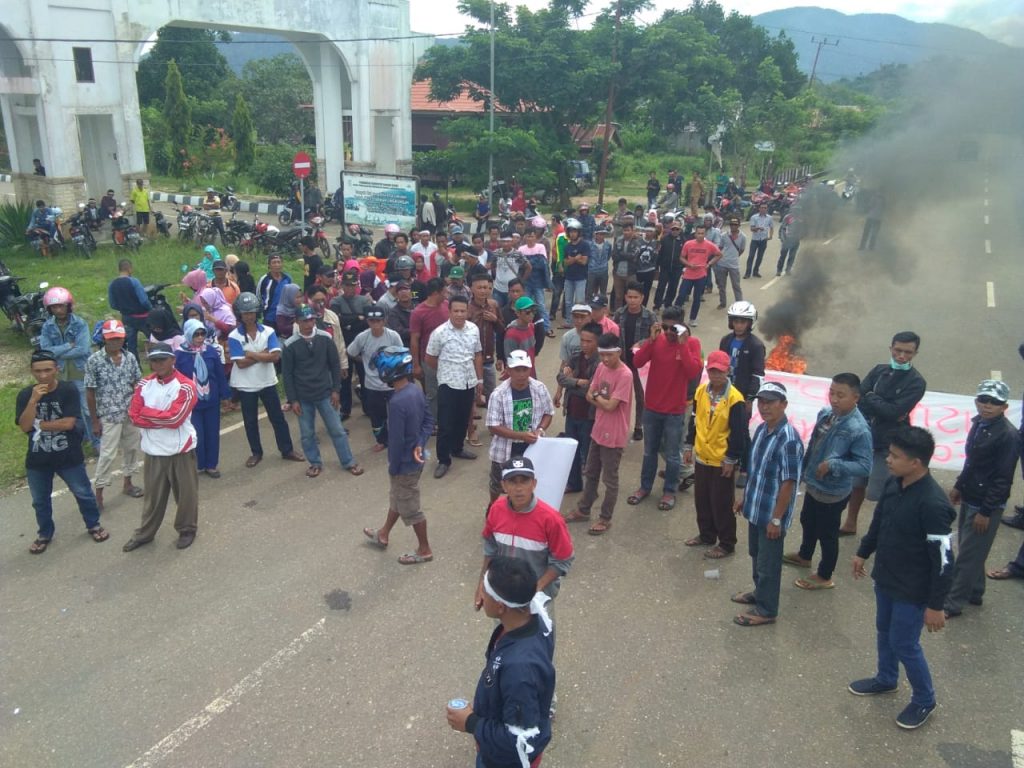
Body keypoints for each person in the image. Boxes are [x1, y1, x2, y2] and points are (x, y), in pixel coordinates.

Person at [849, 426, 955, 730]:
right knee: (884, 631)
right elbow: (879, 522)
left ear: (916, 463)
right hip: (886, 579)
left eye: (895, 456)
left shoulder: (934, 504)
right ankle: (886, 679)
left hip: (913, 589)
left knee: (905, 644)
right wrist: (862, 552)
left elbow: (945, 561)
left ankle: (925, 699)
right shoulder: (895, 483)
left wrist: (936, 605)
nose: (889, 461)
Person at [447, 555, 556, 768]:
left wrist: (470, 722)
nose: (481, 594)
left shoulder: (519, 670)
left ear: (500, 607)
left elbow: (519, 740)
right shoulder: (535, 615)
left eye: (484, 591)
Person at [783, 373, 873, 589]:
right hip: (814, 484)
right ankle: (805, 555)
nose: (834, 399)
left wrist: (834, 465)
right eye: (831, 392)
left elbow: (864, 466)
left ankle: (825, 575)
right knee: (808, 520)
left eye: (840, 395)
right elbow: (814, 446)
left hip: (833, 491)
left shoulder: (858, 429)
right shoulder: (826, 414)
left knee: (827, 534)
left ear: (855, 398)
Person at [18, 349, 108, 554]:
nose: (43, 375)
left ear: (56, 369)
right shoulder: (25, 395)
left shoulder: (67, 390)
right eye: (38, 371)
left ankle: (93, 525)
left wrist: (38, 424)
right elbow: (24, 426)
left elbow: (69, 423)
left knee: (83, 493)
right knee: (40, 501)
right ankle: (44, 534)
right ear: (31, 371)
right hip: (37, 458)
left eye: (48, 370)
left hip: (69, 455)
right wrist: (33, 401)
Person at [942, 380, 1019, 618]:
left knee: (967, 556)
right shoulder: (980, 424)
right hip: (970, 495)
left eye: (994, 402)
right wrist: (959, 486)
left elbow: (1003, 478)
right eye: (983, 400)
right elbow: (972, 461)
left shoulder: (1007, 435)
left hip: (986, 504)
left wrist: (986, 511)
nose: (987, 406)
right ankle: (975, 591)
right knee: (970, 549)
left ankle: (953, 603)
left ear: (1004, 406)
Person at [731, 382, 804, 626]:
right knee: (756, 555)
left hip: (772, 516)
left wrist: (776, 518)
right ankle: (759, 593)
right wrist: (745, 498)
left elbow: (788, 483)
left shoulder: (790, 440)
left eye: (771, 402)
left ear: (783, 404)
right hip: (755, 508)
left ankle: (767, 610)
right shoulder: (762, 429)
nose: (765, 407)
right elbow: (757, 470)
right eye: (762, 401)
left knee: (769, 564)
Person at [840, 332, 926, 536]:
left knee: (880, 492)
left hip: (889, 445)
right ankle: (850, 523)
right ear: (891, 348)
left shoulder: (916, 382)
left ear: (915, 353)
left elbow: (893, 412)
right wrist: (879, 404)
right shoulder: (879, 370)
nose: (902, 356)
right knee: (856, 484)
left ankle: (880, 531)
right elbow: (858, 398)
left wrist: (872, 398)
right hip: (864, 438)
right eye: (898, 350)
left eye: (908, 352)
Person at [122, 343, 200, 552]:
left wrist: (147, 413)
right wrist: (159, 417)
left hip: (180, 451)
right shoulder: (143, 385)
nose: (158, 364)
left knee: (186, 496)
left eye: (162, 359)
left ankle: (187, 529)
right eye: (154, 360)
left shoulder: (185, 386)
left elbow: (175, 419)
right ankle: (145, 534)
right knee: (152, 499)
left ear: (173, 360)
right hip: (153, 451)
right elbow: (134, 416)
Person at [362, 346, 435, 564]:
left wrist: (393, 467)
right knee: (398, 498)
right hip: (417, 459)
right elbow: (429, 421)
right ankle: (383, 533)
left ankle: (424, 549)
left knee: (411, 508)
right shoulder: (415, 390)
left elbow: (395, 441)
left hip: (404, 465)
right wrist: (420, 444)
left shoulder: (396, 402)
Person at [626, 308, 703, 511]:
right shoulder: (656, 340)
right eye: (665, 327)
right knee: (649, 452)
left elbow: (693, 372)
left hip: (675, 411)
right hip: (651, 408)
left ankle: (670, 491)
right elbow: (637, 362)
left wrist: (683, 346)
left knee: (672, 455)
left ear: (682, 326)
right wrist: (650, 341)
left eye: (673, 328)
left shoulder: (692, 343)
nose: (668, 332)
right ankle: (644, 488)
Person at [283, 305, 364, 479]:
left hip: (325, 393)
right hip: (303, 397)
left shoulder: (325, 338)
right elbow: (287, 375)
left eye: (311, 319)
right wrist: (293, 400)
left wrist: (336, 390)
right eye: (304, 321)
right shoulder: (290, 345)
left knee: (337, 430)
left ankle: (348, 461)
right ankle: (315, 463)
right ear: (297, 322)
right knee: (307, 434)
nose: (308, 324)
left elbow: (334, 365)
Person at [564, 333, 634, 536]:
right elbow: (589, 394)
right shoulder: (602, 368)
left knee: (609, 479)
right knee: (591, 472)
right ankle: (584, 509)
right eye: (602, 355)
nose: (604, 360)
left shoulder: (625, 375)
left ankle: (605, 518)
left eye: (609, 355)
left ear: (618, 353)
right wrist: (599, 398)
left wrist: (597, 397)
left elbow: (611, 406)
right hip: (598, 429)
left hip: (614, 434)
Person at [227, 292, 305, 468]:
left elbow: (276, 357)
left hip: (267, 382)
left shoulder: (268, 331)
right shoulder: (234, 336)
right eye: (245, 313)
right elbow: (240, 364)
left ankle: (287, 449)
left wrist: (252, 354)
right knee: (250, 421)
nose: (249, 316)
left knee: (277, 418)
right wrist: (264, 353)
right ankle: (256, 452)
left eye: (252, 312)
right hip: (246, 385)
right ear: (240, 314)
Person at [683, 350, 747, 559]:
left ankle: (727, 543)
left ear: (727, 371)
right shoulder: (701, 392)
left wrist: (731, 459)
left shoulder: (735, 399)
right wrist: (688, 445)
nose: (715, 375)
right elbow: (694, 419)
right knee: (702, 499)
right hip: (702, 455)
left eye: (719, 371)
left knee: (721, 502)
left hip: (721, 460)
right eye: (712, 371)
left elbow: (739, 433)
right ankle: (706, 535)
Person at [85, 320, 144, 511]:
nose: (115, 342)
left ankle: (128, 483)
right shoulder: (94, 360)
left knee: (132, 448)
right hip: (109, 414)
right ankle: (99, 493)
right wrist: (94, 421)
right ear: (104, 339)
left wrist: (140, 407)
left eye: (118, 338)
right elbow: (90, 392)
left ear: (123, 338)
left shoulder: (130, 358)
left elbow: (137, 382)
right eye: (111, 339)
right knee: (107, 454)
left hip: (130, 411)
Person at [485, 350, 555, 507]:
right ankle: (493, 510)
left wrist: (540, 430)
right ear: (508, 370)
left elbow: (548, 413)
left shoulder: (539, 388)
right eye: (517, 370)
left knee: (529, 482)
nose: (522, 374)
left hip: (533, 448)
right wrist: (521, 435)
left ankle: (527, 514)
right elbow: (493, 426)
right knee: (497, 484)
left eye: (525, 369)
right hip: (505, 451)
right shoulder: (499, 394)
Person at [426, 295, 483, 478]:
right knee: (445, 423)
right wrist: (446, 370)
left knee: (462, 419)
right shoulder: (439, 333)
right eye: (456, 311)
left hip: (468, 381)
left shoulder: (473, 329)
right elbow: (430, 358)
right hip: (448, 383)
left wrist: (479, 380)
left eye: (463, 311)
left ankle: (458, 448)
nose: (459, 314)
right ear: (449, 312)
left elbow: (478, 354)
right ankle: (443, 460)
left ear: (468, 311)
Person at [39, 287, 99, 451]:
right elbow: (45, 351)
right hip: (61, 374)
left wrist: (57, 351)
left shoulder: (79, 323)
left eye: (61, 306)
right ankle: (79, 438)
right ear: (49, 309)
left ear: (68, 305)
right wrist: (67, 346)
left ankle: (96, 442)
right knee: (68, 410)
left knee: (87, 409)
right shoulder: (47, 327)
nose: (58, 310)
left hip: (80, 373)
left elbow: (83, 349)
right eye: (54, 307)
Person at [174, 319, 229, 478]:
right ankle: (199, 463)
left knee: (212, 432)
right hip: (192, 402)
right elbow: (177, 380)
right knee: (196, 433)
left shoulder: (210, 351)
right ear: (188, 334)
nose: (199, 337)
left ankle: (211, 465)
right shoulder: (179, 355)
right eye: (196, 334)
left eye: (202, 333)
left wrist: (225, 395)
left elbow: (219, 374)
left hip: (211, 399)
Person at [347, 304, 403, 451]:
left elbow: (401, 355)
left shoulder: (393, 336)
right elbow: (351, 352)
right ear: (368, 321)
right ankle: (382, 440)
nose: (376, 324)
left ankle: (398, 438)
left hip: (391, 384)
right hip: (372, 385)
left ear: (384, 321)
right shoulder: (362, 337)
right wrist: (366, 360)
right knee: (377, 416)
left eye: (379, 320)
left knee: (397, 413)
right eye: (372, 321)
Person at [557, 323, 600, 494]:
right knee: (572, 450)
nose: (584, 344)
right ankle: (574, 483)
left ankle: (590, 490)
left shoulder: (600, 363)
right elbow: (560, 377)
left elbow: (591, 389)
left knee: (589, 455)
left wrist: (573, 381)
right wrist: (576, 381)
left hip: (589, 415)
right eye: (582, 340)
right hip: (572, 411)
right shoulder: (576, 356)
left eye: (589, 341)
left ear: (597, 342)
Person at [612, 283, 655, 441]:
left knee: (641, 396)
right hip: (622, 362)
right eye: (629, 297)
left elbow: (655, 338)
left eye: (635, 297)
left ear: (642, 298)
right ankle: (620, 425)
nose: (632, 300)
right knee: (619, 396)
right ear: (625, 297)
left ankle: (638, 426)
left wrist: (641, 344)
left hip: (640, 364)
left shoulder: (650, 316)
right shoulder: (619, 314)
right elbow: (612, 334)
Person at [410, 278, 450, 423]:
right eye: (444, 291)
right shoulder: (418, 312)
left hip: (449, 358)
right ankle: (432, 422)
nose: (446, 294)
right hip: (429, 360)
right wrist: (416, 365)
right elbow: (414, 340)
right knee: (432, 392)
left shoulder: (447, 306)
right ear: (435, 293)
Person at [674, 224, 721, 327]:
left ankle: (693, 319)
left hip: (701, 275)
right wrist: (688, 264)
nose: (700, 235)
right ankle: (674, 317)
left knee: (697, 298)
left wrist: (709, 264)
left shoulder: (709, 244)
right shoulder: (688, 244)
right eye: (698, 233)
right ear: (695, 234)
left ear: (705, 234)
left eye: (702, 233)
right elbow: (681, 257)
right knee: (681, 296)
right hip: (688, 275)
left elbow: (719, 254)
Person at [720, 301, 765, 403]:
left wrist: (750, 398)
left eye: (742, 322)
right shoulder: (725, 340)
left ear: (750, 323)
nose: (738, 326)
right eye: (736, 322)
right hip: (723, 392)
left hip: (742, 396)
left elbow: (758, 375)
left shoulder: (756, 346)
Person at [107, 258, 152, 361]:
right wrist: (150, 309)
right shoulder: (134, 281)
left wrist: (123, 309)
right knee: (154, 340)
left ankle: (135, 368)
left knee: (131, 346)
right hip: (143, 317)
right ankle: (157, 362)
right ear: (129, 269)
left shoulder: (112, 284)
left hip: (127, 318)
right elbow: (144, 300)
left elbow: (112, 304)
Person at [653, 219, 685, 310]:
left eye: (677, 229)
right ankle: (657, 305)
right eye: (673, 229)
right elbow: (659, 254)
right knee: (661, 287)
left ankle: (668, 304)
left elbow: (686, 255)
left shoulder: (683, 241)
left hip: (677, 269)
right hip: (665, 268)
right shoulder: (664, 239)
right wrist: (656, 267)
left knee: (673, 287)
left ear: (680, 230)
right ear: (671, 229)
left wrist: (683, 267)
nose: (675, 231)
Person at [256, 255, 293, 331]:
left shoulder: (287, 279)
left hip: (284, 316)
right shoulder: (265, 279)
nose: (277, 265)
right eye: (274, 263)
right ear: (269, 265)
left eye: (279, 262)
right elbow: (258, 296)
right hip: (269, 316)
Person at [715, 216, 745, 309]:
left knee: (736, 286)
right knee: (721, 286)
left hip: (734, 265)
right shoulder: (724, 235)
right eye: (731, 224)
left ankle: (739, 304)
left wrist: (734, 256)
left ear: (739, 225)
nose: (733, 226)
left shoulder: (743, 237)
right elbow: (719, 248)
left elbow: (742, 250)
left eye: (735, 224)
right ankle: (723, 303)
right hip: (722, 264)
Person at [609, 220, 639, 312]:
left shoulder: (636, 242)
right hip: (618, 273)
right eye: (624, 230)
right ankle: (618, 314)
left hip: (630, 273)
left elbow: (634, 256)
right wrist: (625, 255)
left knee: (630, 296)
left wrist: (621, 254)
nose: (626, 232)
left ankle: (629, 313)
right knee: (618, 297)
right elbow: (614, 256)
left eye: (628, 230)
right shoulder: (618, 241)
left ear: (632, 230)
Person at [744, 202, 773, 278]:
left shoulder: (769, 218)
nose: (763, 209)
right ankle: (747, 273)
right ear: (759, 208)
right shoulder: (754, 217)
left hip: (763, 240)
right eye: (762, 207)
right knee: (751, 256)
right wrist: (758, 228)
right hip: (755, 239)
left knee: (760, 257)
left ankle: (755, 271)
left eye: (765, 208)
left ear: (767, 209)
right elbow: (752, 229)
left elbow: (771, 227)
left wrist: (770, 236)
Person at [776, 211, 802, 276]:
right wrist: (782, 238)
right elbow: (782, 228)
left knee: (792, 256)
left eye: (798, 210)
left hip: (796, 240)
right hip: (787, 239)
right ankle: (779, 270)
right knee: (783, 256)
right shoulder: (788, 217)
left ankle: (788, 269)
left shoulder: (801, 218)